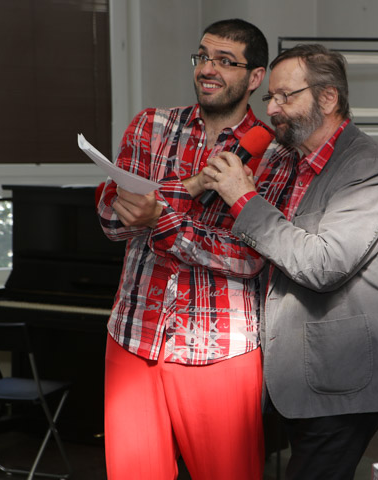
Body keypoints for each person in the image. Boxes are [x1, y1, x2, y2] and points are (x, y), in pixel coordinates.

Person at [96, 19, 298, 480]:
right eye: (203, 56)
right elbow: (110, 218)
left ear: (255, 77)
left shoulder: (275, 153)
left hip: (219, 349)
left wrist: (158, 216)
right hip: (133, 336)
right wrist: (188, 187)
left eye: (225, 61)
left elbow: (247, 255)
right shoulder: (151, 126)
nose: (208, 68)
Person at [202, 43, 378, 479]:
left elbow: (322, 265)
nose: (271, 109)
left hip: (341, 380)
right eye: (270, 96)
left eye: (286, 96)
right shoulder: (288, 159)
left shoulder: (369, 167)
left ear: (328, 98)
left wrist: (244, 199)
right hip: (294, 374)